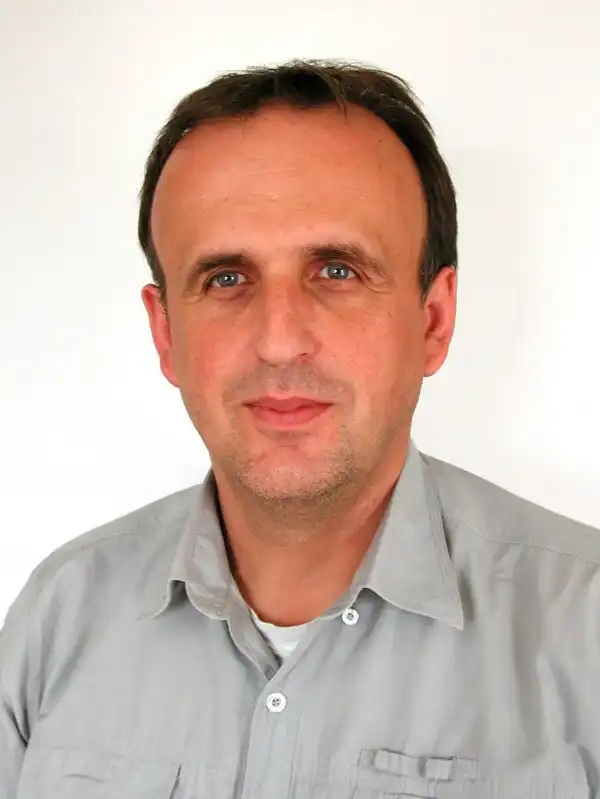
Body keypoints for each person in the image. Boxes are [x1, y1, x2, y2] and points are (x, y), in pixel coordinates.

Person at [1, 59, 599, 799]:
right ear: (166, 333)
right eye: (226, 279)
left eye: (337, 271)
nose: (279, 341)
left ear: (433, 320)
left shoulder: (586, 631)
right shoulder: (57, 618)